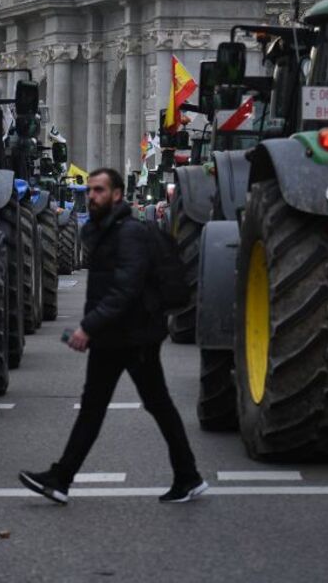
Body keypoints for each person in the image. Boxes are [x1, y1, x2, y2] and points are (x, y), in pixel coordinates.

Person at [19, 168, 206, 505]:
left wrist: (88, 327)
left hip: (134, 337)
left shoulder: (128, 233)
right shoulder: (106, 231)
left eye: (99, 191)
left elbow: (126, 288)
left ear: (117, 194)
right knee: (101, 407)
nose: (92, 196)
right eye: (90, 191)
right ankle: (62, 478)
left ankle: (187, 475)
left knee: (153, 405)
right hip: (116, 336)